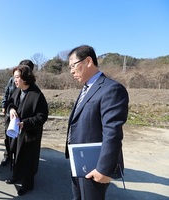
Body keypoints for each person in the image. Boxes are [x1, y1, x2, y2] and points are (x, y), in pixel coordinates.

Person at [65, 45, 129, 200]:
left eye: (73, 66)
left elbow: (112, 132)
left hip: (95, 165)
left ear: (88, 61)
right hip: (79, 161)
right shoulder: (86, 88)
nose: (71, 71)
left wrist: (104, 169)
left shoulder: (111, 89)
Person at [5, 65, 48, 196]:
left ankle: (27, 185)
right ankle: (16, 176)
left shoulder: (37, 94)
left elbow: (42, 116)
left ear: (25, 78)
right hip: (17, 132)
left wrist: (25, 123)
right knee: (17, 155)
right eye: (14, 77)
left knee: (28, 159)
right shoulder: (17, 90)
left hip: (30, 133)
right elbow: (10, 103)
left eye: (17, 77)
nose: (15, 80)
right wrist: (11, 109)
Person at [0, 59, 35, 166]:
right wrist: (4, 105)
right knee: (8, 135)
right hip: (10, 111)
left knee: (18, 138)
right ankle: (8, 155)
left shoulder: (30, 84)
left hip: (21, 115)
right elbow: (6, 93)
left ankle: (17, 159)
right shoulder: (12, 80)